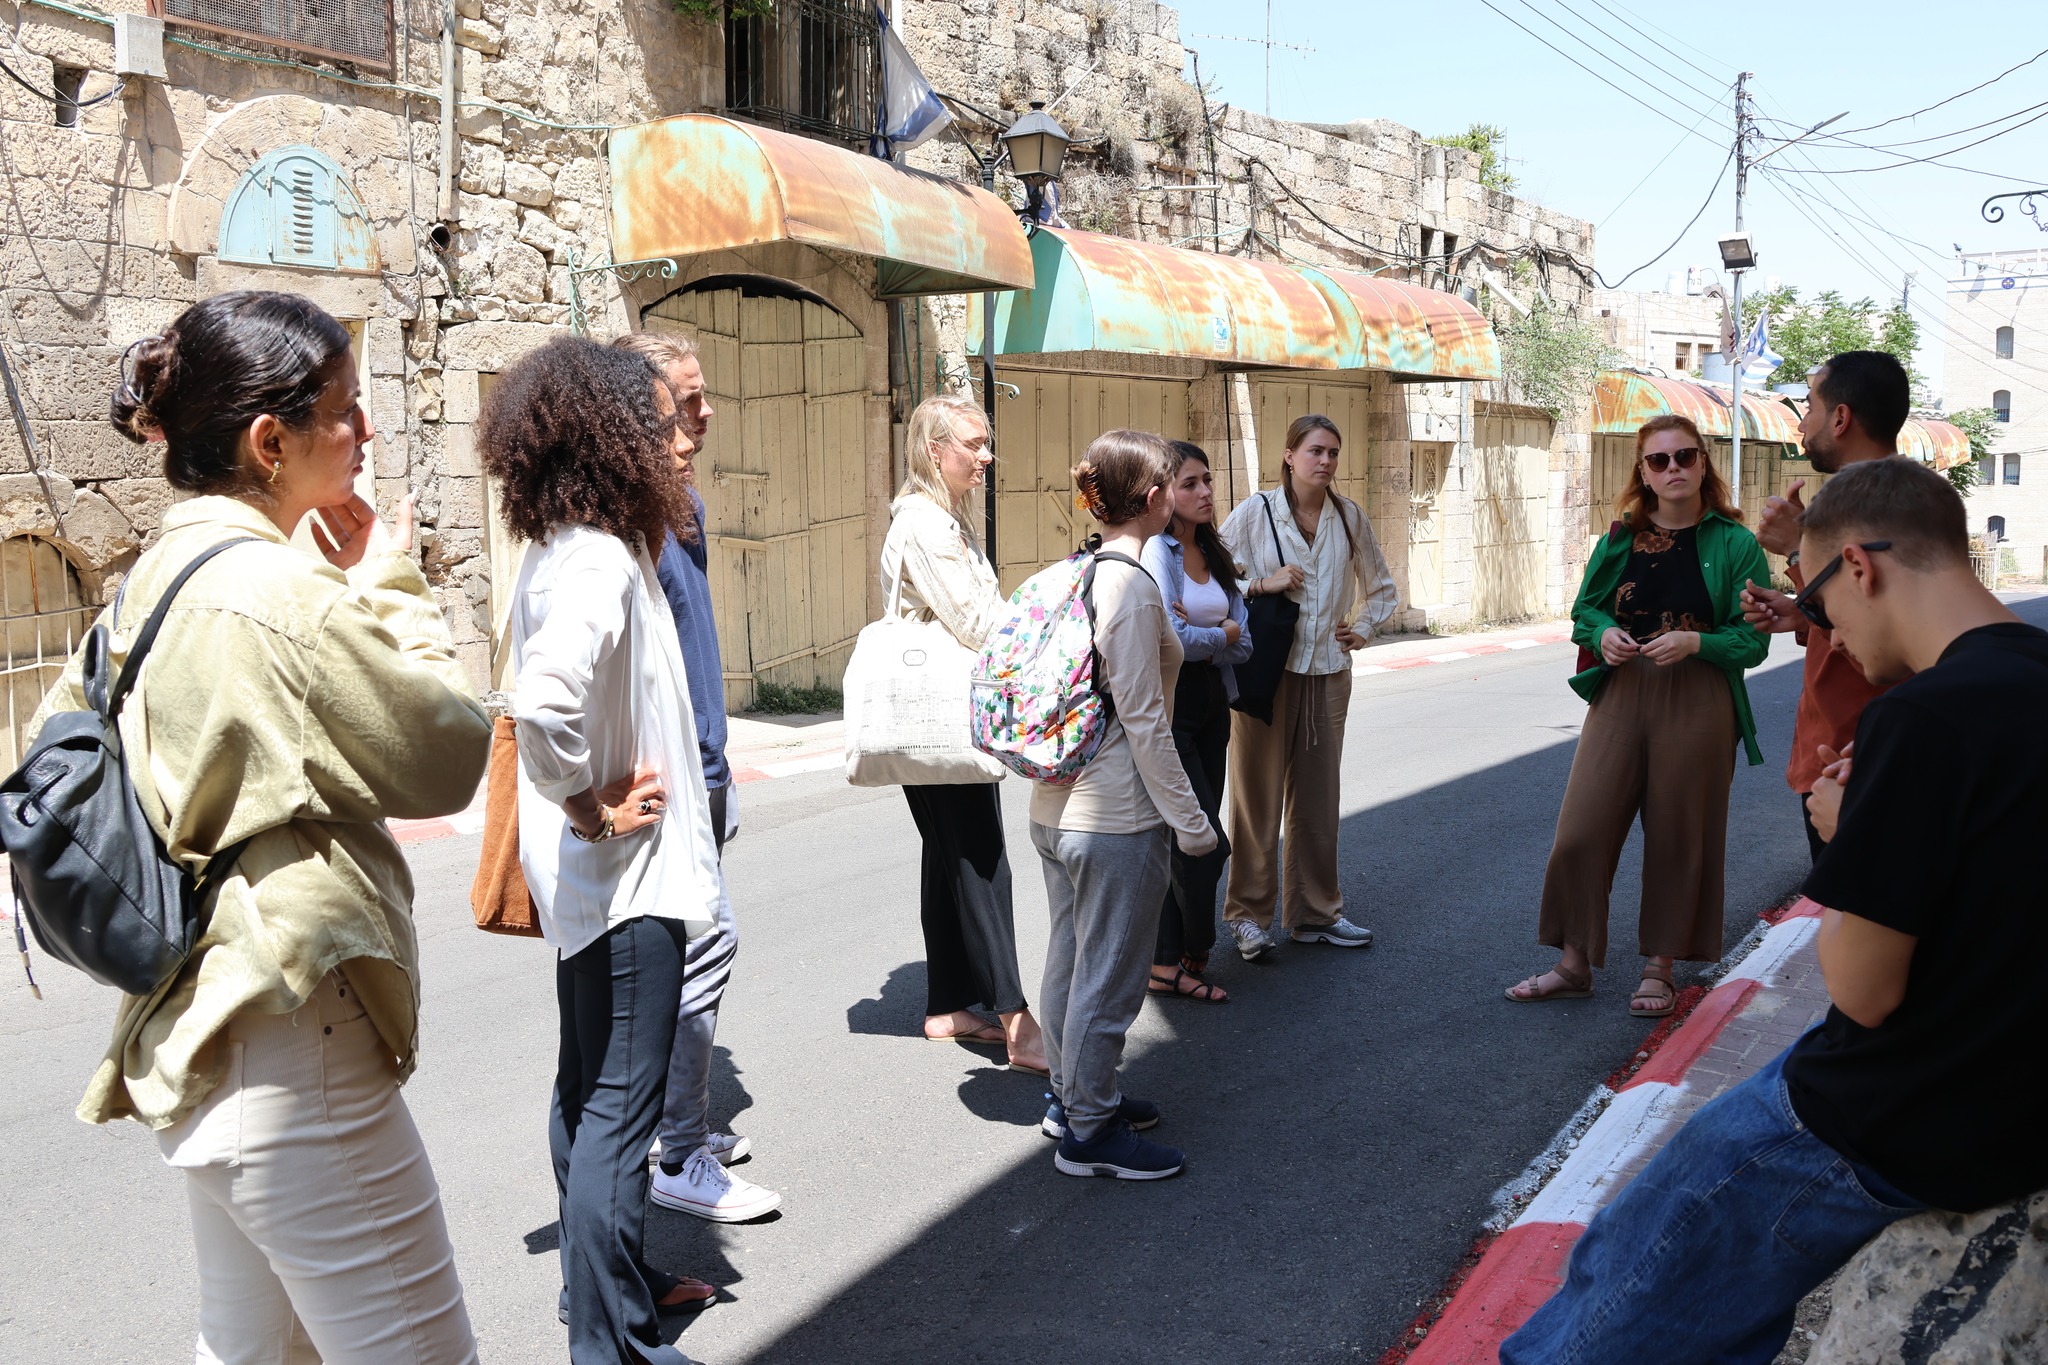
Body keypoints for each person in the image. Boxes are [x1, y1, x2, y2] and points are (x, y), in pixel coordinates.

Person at [1500, 456, 2048, 1365]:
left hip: (1900, 1106)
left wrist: (1845, 831)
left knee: (1620, 1278)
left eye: (1819, 594)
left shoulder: (1920, 719)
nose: (1822, 623)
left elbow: (1861, 987)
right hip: (2007, 1093)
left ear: (1861, 568)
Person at [32, 291, 491, 1362]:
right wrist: (391, 581)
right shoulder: (278, 589)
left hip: (209, 1034)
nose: (366, 433)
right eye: (346, 410)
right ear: (269, 441)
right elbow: (447, 751)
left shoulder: (149, 582)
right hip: (296, 1051)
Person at [484, 336, 729, 1365]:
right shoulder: (591, 557)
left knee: (584, 1098)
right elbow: (539, 705)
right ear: (616, 435)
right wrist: (589, 807)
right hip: (625, 885)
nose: (679, 439)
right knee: (614, 1123)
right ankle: (613, 1345)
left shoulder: (567, 546)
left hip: (597, 887)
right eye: (663, 421)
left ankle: (609, 1300)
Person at [1506, 416, 1769, 1015]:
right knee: (1581, 830)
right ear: (1643, 474)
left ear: (1703, 464)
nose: (1672, 469)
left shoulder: (1736, 543)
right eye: (1658, 461)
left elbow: (1753, 641)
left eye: (1684, 457)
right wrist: (1603, 637)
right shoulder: (1619, 540)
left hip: (1699, 698)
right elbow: (1585, 612)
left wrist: (1696, 644)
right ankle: (1573, 963)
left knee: (1679, 834)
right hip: (1622, 694)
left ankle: (1661, 964)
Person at [611, 333, 779, 1231]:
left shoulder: (680, 503)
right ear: (644, 410)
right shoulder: (618, 520)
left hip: (703, 767)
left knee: (691, 954)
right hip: (665, 782)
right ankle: (677, 1148)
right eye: (688, 398)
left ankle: (679, 1128)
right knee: (701, 951)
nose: (706, 411)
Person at [1031, 429, 1217, 1179]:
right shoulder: (1134, 586)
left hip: (1054, 804)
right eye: (1174, 486)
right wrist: (1193, 823)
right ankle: (1091, 1131)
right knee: (1108, 975)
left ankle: (1071, 1095)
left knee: (1070, 961)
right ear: (1152, 500)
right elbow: (1145, 718)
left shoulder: (1075, 569)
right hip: (1113, 817)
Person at [879, 393, 1047, 1076]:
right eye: (974, 444)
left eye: (985, 443)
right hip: (938, 715)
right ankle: (1016, 1020)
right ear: (933, 450)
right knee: (981, 856)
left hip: (940, 717)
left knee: (948, 851)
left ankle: (951, 1002)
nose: (987, 455)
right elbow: (979, 622)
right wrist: (1044, 631)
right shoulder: (925, 524)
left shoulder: (944, 519)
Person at [1218, 414, 1396, 961]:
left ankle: (1316, 913)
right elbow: (1213, 576)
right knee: (1256, 797)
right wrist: (1259, 583)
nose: (1325, 461)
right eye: (1315, 450)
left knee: (1319, 801)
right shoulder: (1257, 511)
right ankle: (1248, 916)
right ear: (1290, 455)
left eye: (1333, 453)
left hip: (1327, 674)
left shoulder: (1348, 516)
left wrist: (1362, 628)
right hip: (1266, 674)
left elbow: (1383, 586)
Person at [1738, 350, 1912, 862]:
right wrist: (1802, 610)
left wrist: (1797, 549)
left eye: (1810, 406)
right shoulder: (1863, 500)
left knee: (1859, 913)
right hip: (1837, 750)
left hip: (1858, 756)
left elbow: (1887, 640)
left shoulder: (1889, 509)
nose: (1802, 424)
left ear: (1841, 418)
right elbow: (1848, 613)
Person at [1140, 441, 1252, 1003]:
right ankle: (1175, 955)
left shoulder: (1215, 552)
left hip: (1214, 701)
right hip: (1174, 701)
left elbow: (1245, 643)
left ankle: (1181, 957)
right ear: (1164, 494)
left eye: (1207, 480)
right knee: (1201, 836)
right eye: (1190, 484)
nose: (1205, 492)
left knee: (1195, 831)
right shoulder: (1158, 553)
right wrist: (1221, 634)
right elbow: (1174, 640)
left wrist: (1217, 638)